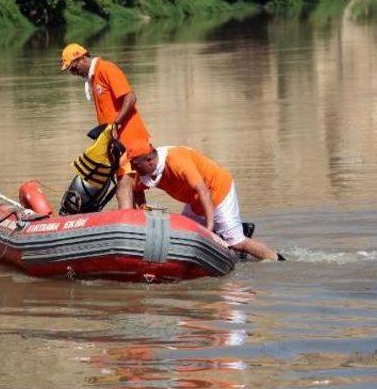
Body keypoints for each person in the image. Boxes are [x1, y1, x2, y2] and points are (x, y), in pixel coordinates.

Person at [122, 141, 285, 261]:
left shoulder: (177, 161)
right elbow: (137, 191)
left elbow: (204, 192)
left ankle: (277, 260)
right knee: (185, 234)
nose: (134, 169)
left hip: (217, 191)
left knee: (236, 242)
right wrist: (143, 208)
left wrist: (208, 229)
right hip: (194, 200)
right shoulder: (143, 170)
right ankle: (223, 236)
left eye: (136, 164)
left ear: (150, 160)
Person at [61, 43, 150, 209]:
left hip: (129, 141)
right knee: (135, 190)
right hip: (118, 145)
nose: (73, 73)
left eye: (72, 69)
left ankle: (128, 228)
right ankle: (142, 224)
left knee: (123, 190)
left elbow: (130, 98)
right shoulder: (93, 79)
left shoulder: (106, 69)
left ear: (80, 59)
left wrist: (116, 124)